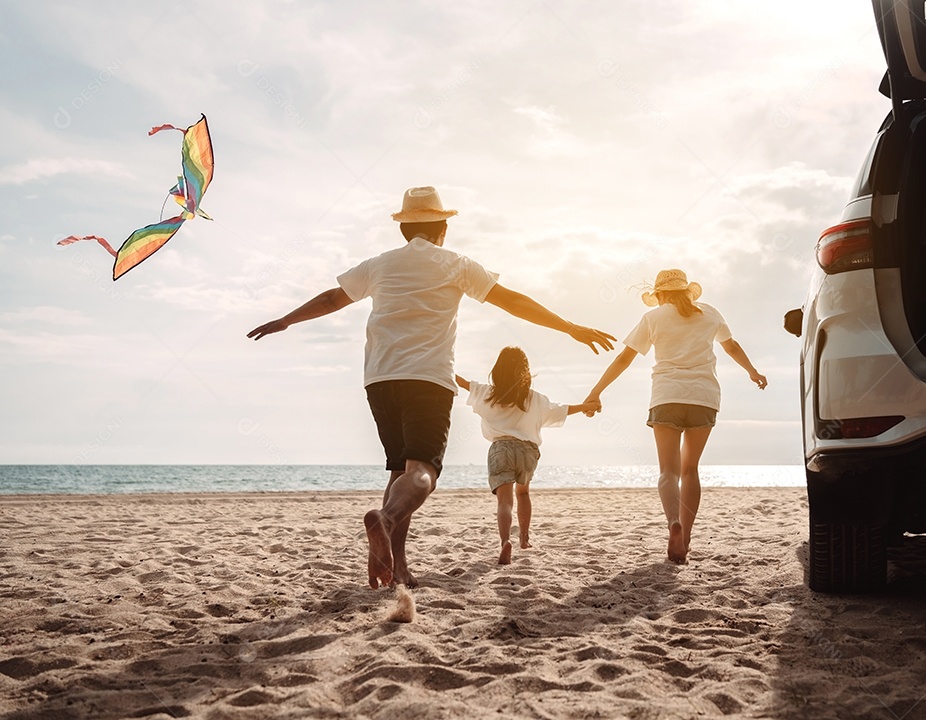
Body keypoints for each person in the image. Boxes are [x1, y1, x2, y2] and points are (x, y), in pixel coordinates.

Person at [248, 186, 615, 589]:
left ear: (404, 230)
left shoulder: (380, 265)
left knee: (399, 470)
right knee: (423, 472)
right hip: (428, 378)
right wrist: (570, 327)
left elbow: (335, 298)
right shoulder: (456, 264)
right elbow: (512, 301)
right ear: (443, 227)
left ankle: (397, 568)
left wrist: (286, 320)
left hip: (380, 378)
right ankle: (385, 521)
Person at [584, 269, 767, 564]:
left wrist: (596, 392)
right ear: (686, 291)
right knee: (690, 470)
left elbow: (624, 358)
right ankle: (687, 539)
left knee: (668, 472)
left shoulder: (653, 319)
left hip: (667, 396)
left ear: (661, 295)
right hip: (704, 398)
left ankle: (673, 523)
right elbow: (731, 346)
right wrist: (752, 371)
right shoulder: (709, 313)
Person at [456, 347, 600, 565]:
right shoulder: (534, 399)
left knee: (505, 501)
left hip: (500, 448)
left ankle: (505, 541)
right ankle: (524, 539)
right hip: (527, 451)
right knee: (523, 494)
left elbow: (462, 382)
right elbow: (562, 409)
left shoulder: (487, 393)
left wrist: (441, 365)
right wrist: (586, 406)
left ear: (497, 370)